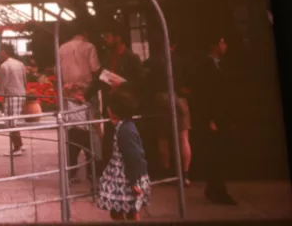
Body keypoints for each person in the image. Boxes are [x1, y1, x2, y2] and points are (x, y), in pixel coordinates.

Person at [96, 86, 151, 222]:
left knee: (131, 212)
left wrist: (134, 182)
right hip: (121, 178)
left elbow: (134, 157)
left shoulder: (126, 131)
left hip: (127, 179)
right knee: (119, 212)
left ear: (115, 110)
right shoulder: (123, 126)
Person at [196, 33, 237, 205]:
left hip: (223, 115)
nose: (225, 46)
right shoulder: (206, 65)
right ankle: (217, 189)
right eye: (222, 42)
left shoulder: (222, 64)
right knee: (217, 153)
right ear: (214, 45)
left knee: (222, 153)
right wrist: (210, 119)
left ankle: (214, 187)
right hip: (214, 116)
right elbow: (206, 94)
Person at [59, 20, 101, 183]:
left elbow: (59, 72)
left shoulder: (62, 48)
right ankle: (92, 170)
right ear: (86, 32)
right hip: (86, 94)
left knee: (71, 131)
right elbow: (95, 69)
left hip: (68, 94)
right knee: (90, 133)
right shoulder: (89, 47)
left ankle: (72, 170)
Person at [146, 37, 193, 185]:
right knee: (183, 138)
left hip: (160, 97)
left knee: (163, 139)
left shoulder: (153, 61)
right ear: (176, 43)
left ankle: (166, 173)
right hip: (179, 98)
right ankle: (185, 175)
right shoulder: (180, 60)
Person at [99, 24, 145, 168]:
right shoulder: (107, 56)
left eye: (108, 36)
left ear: (118, 38)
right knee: (108, 141)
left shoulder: (131, 57)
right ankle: (108, 170)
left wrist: (122, 85)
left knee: (124, 139)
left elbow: (141, 81)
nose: (105, 40)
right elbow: (99, 78)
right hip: (111, 105)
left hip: (125, 106)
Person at [0, 43, 27, 156]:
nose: (0, 54)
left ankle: (17, 148)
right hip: (21, 94)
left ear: (5, 52)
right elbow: (25, 80)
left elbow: (1, 84)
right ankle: (20, 144)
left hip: (11, 96)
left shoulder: (4, 66)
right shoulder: (20, 64)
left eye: (1, 52)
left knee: (11, 122)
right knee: (15, 121)